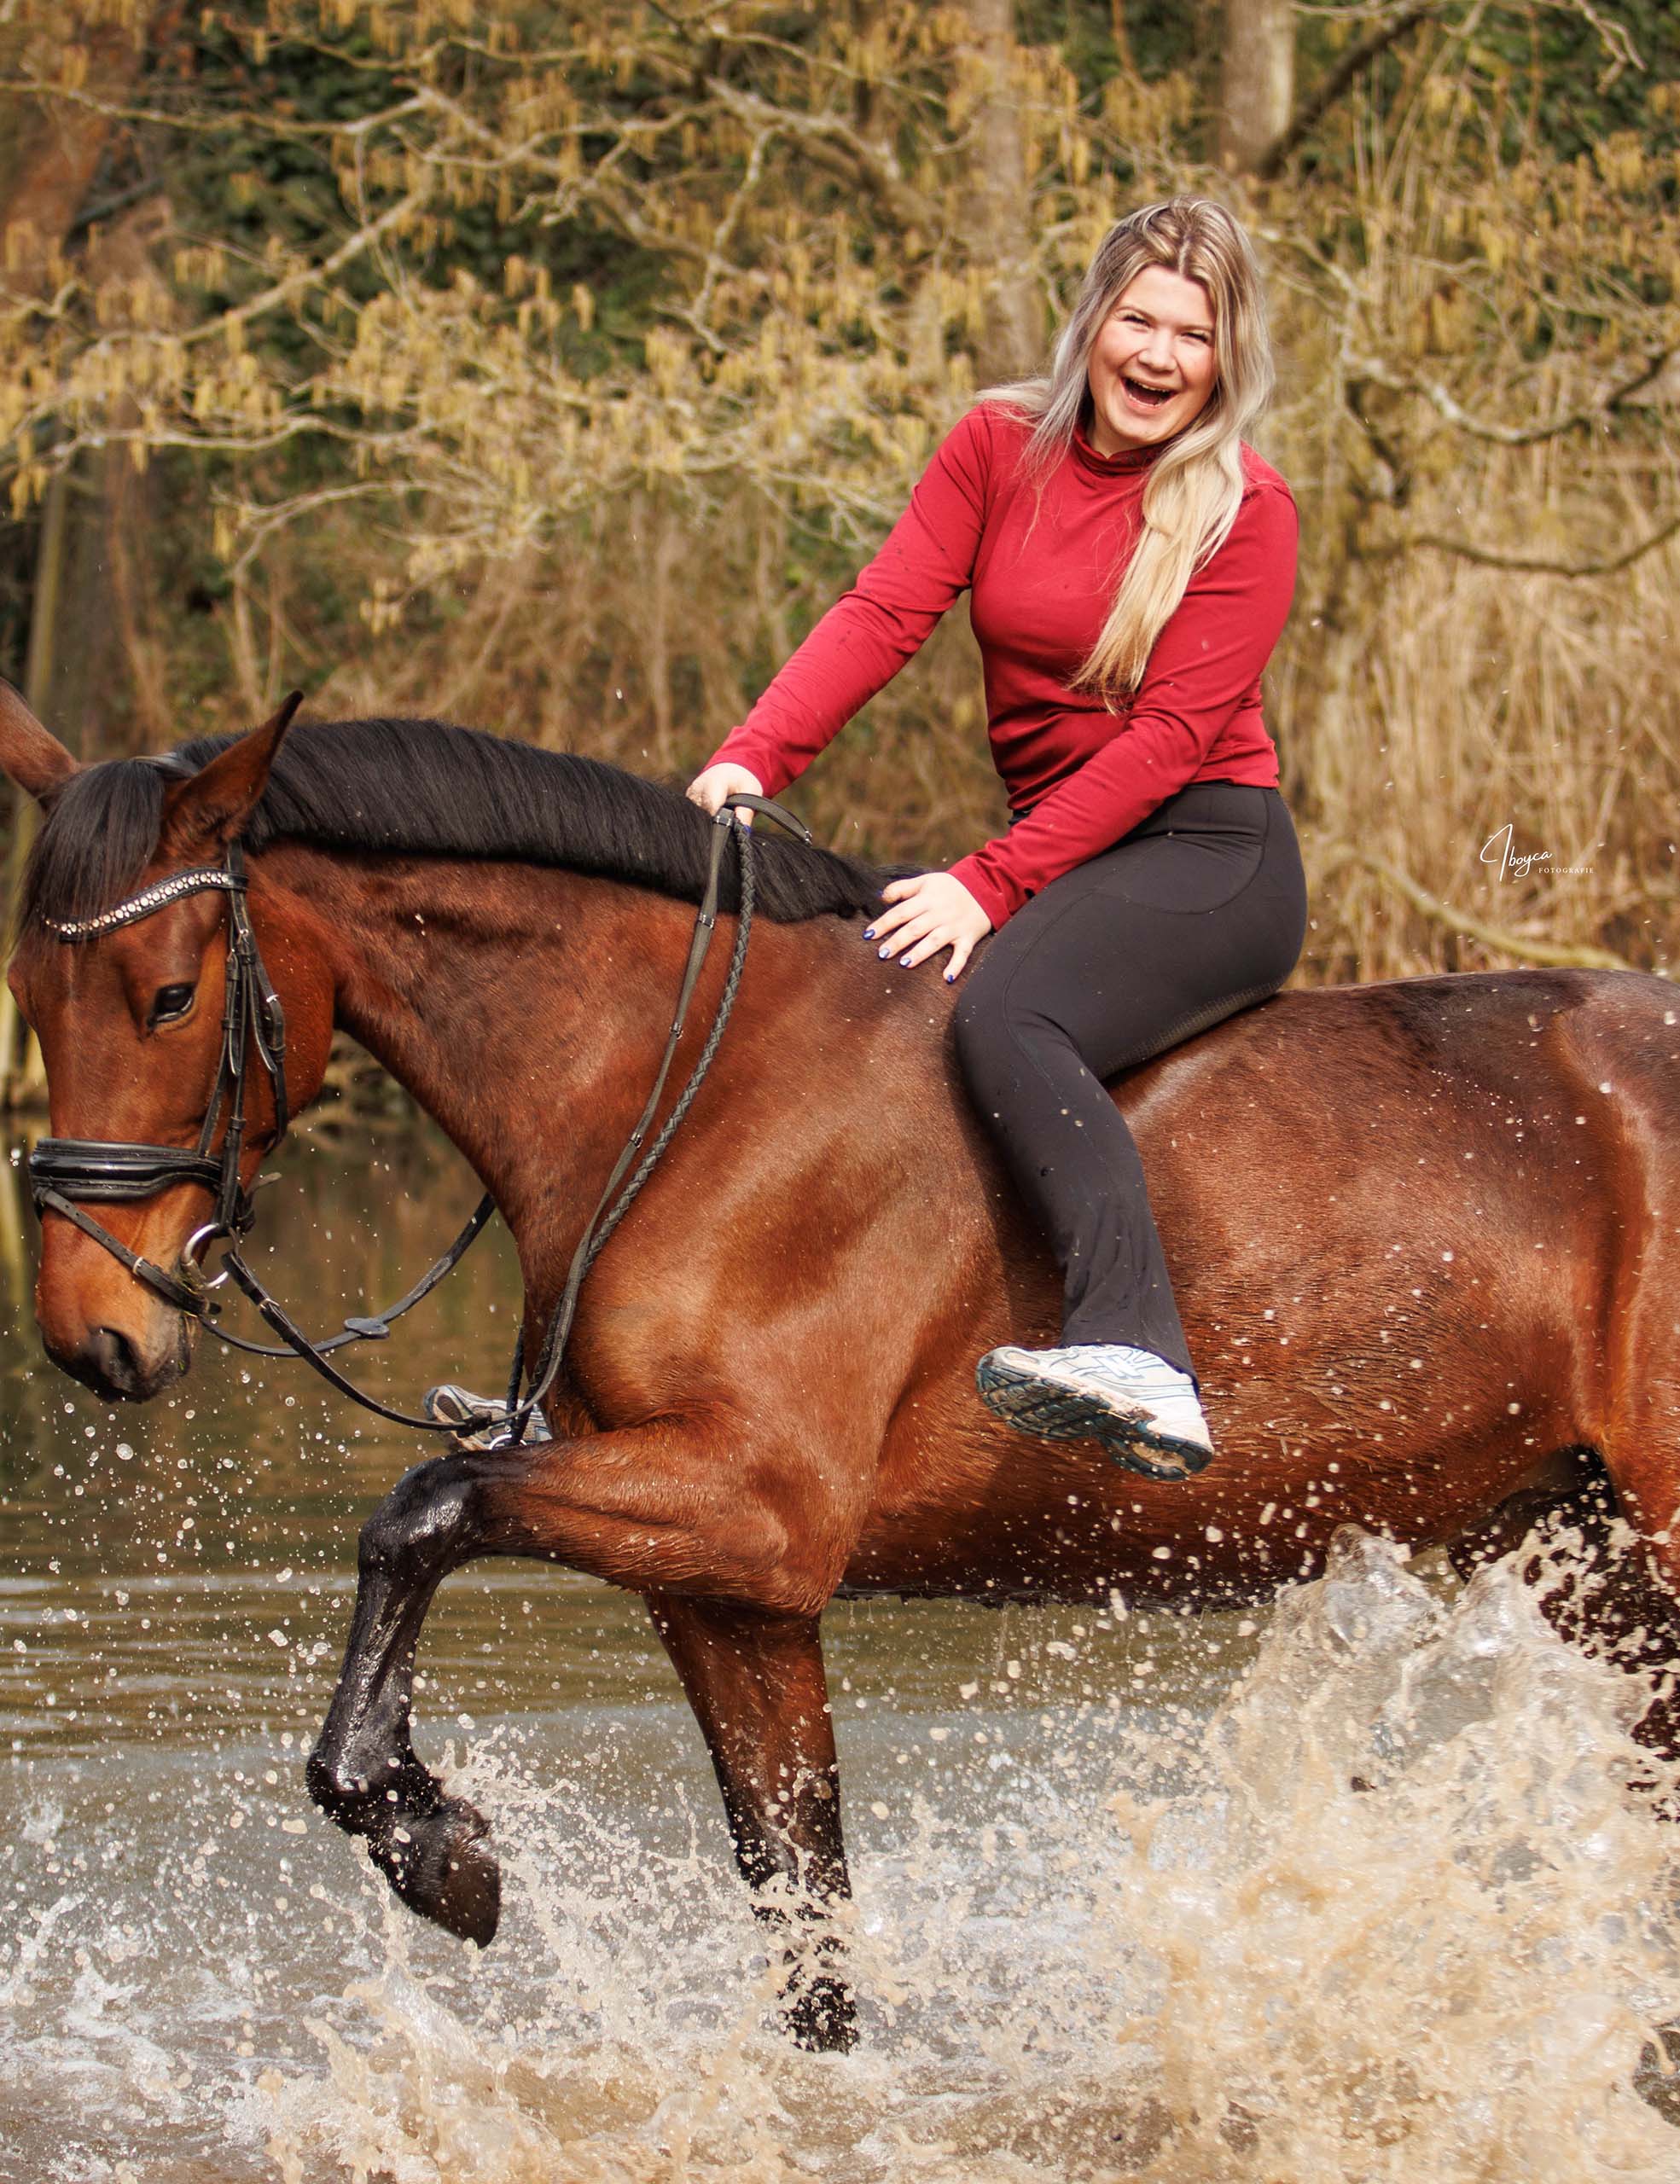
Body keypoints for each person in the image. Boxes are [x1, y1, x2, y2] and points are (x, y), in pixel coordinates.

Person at [687, 195, 1309, 1482]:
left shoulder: (1247, 508)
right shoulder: (995, 446)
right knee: (855, 1001)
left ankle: (1138, 1353)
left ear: (1224, 356)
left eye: (1191, 334)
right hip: (1075, 846)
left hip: (1208, 853)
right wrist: (752, 756)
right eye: (1137, 319)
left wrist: (990, 880)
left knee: (1005, 1017)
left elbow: (1168, 744)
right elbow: (881, 612)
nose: (1157, 355)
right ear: (1091, 325)